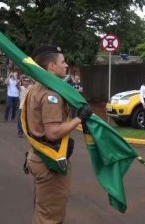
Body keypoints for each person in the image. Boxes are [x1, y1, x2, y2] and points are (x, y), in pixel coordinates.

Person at [25, 45, 93, 223]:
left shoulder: (35, 88)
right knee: (51, 217)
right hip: (49, 162)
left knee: (42, 211)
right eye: (62, 62)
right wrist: (80, 118)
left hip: (38, 155)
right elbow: (53, 132)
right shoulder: (50, 94)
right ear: (51, 66)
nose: (66, 65)